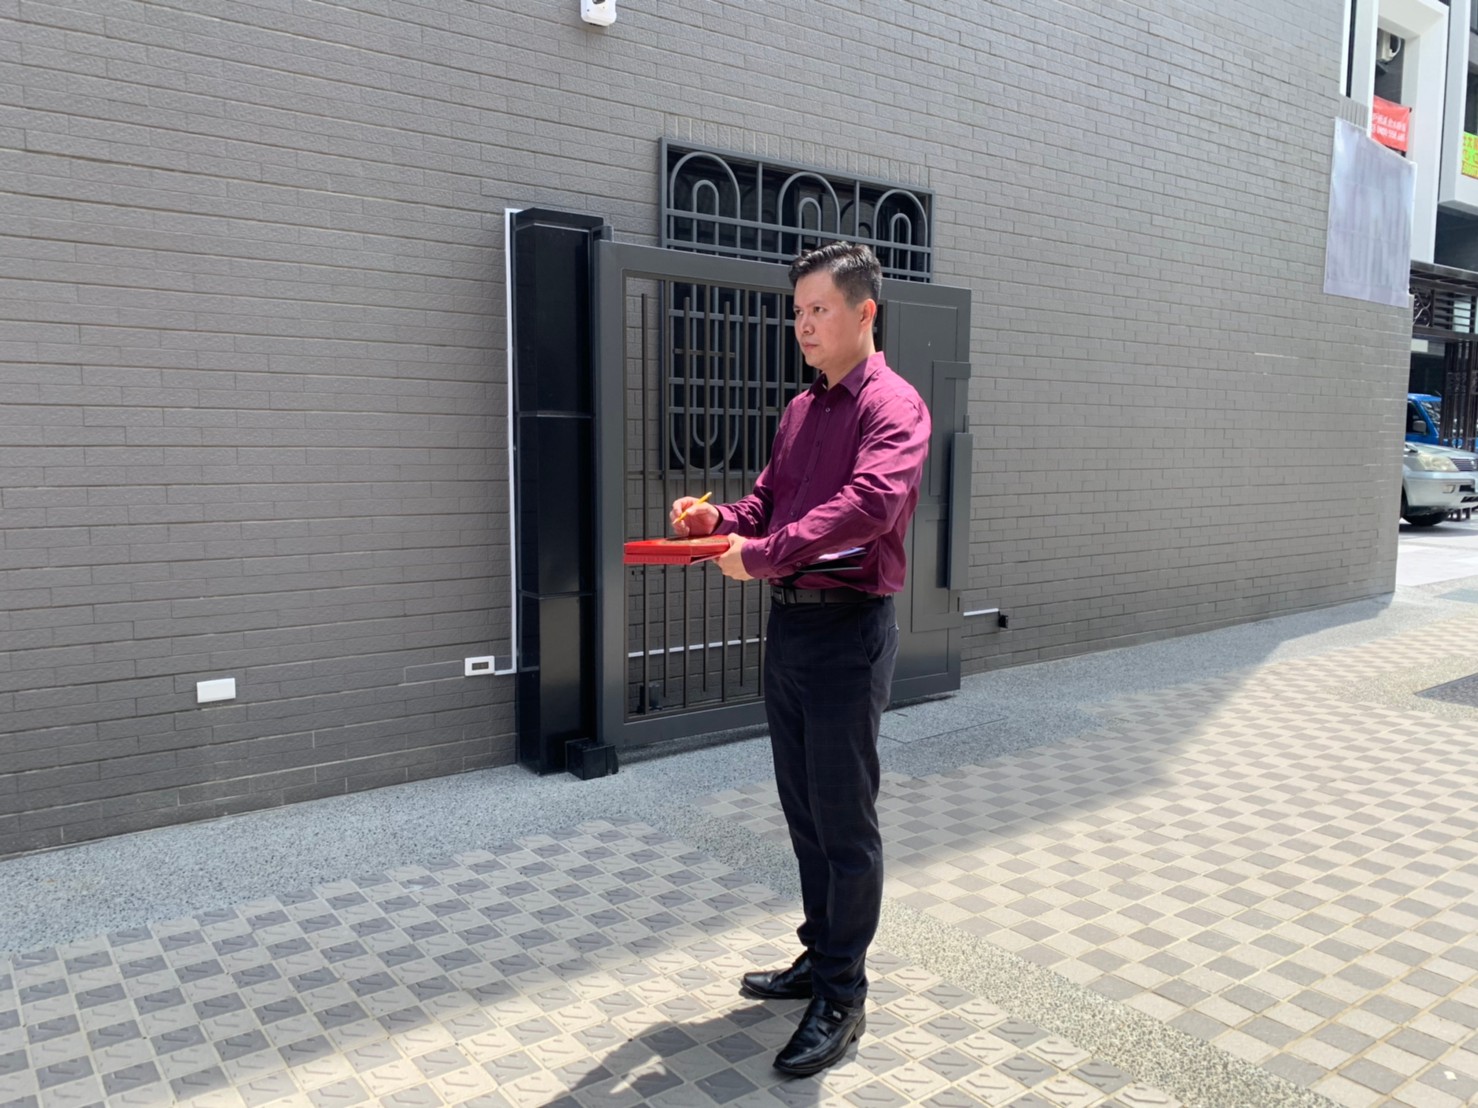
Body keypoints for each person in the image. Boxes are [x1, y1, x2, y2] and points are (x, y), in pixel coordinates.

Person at [669, 241, 931, 1077]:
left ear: (864, 311)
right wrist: (719, 522)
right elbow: (768, 502)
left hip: (849, 632)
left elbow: (868, 507)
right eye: (797, 312)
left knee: (845, 821)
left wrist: (763, 554)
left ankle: (844, 995)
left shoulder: (893, 406)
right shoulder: (800, 411)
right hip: (791, 631)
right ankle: (820, 957)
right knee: (805, 813)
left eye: (819, 310)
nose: (804, 325)